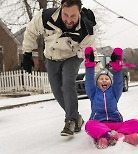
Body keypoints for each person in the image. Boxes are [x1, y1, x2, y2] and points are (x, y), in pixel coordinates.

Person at [22, 0, 99, 136]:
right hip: (51, 57)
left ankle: (70, 120)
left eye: (73, 16)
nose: (69, 20)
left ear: (79, 12)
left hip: (73, 56)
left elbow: (91, 53)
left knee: (67, 83)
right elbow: (30, 31)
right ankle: (77, 117)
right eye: (65, 15)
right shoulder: (45, 17)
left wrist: (98, 74)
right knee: (57, 91)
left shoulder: (86, 29)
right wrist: (27, 53)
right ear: (61, 8)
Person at [84, 46, 138, 149]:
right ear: (96, 82)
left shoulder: (115, 92)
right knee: (89, 125)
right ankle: (121, 137)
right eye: (101, 79)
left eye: (107, 79)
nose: (104, 80)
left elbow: (119, 82)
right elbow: (88, 80)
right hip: (99, 124)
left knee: (136, 123)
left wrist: (117, 68)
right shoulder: (93, 93)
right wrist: (89, 66)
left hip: (116, 124)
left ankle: (106, 137)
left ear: (110, 82)